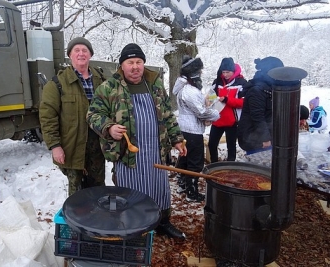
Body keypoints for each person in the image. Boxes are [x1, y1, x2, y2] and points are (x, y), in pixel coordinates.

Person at [87, 43, 187, 239]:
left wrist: (177, 139)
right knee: (131, 192)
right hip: (127, 153)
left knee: (159, 189)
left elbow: (167, 114)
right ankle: (133, 227)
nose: (135, 66)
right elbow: (93, 114)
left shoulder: (155, 84)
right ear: (122, 65)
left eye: (139, 62)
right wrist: (109, 127)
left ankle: (162, 222)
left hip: (155, 149)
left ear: (143, 64)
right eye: (130, 62)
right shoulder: (109, 87)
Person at [39, 37, 106, 196]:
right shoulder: (57, 84)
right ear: (70, 55)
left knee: (99, 190)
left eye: (85, 50)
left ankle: (98, 220)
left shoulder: (102, 81)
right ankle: (77, 221)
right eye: (77, 50)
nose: (81, 54)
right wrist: (55, 146)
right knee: (77, 195)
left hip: (97, 147)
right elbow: (48, 117)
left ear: (90, 55)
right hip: (73, 147)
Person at [172, 55, 220, 202]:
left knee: (185, 158)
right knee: (195, 162)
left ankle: (183, 185)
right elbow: (201, 111)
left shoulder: (186, 87)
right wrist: (215, 113)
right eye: (199, 71)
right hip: (192, 131)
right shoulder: (190, 91)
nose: (201, 73)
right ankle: (191, 193)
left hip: (187, 128)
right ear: (193, 72)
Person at [237, 56, 284, 154]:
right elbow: (257, 117)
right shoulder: (257, 90)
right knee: (258, 167)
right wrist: (265, 139)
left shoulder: (269, 87)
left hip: (262, 136)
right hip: (255, 139)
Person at [208, 57, 247, 163]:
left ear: (233, 71)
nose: (225, 74)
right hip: (217, 119)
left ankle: (230, 166)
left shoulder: (241, 83)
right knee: (212, 144)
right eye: (223, 72)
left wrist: (227, 100)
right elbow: (211, 96)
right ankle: (214, 164)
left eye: (228, 72)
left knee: (231, 146)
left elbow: (243, 103)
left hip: (232, 121)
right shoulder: (217, 81)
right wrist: (210, 100)